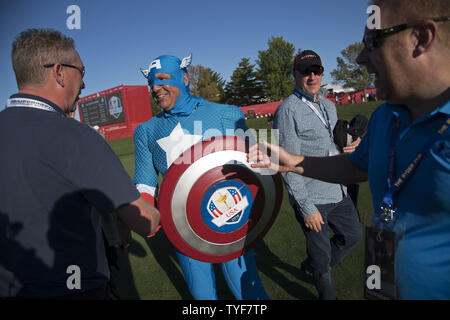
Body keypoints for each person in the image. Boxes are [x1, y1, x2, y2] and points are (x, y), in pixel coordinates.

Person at [249, 0, 450, 299]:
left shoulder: (331, 106)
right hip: (381, 272)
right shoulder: (384, 117)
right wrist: (294, 163)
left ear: (421, 38)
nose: (359, 58)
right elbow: (354, 167)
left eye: (373, 42)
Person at [0, 29, 160, 299]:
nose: (84, 84)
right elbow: (145, 223)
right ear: (59, 72)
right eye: (81, 72)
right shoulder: (76, 136)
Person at [134, 54, 268, 300]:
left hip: (231, 214)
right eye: (151, 82)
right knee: (202, 296)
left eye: (163, 79)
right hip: (184, 224)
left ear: (184, 78)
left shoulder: (226, 114)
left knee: (250, 292)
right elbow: (145, 182)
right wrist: (143, 212)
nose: (155, 87)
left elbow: (257, 164)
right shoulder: (146, 131)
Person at [272, 50, 362, 300]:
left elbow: (332, 144)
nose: (312, 76)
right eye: (306, 72)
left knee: (353, 235)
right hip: (313, 199)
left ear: (322, 73)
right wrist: (306, 208)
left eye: (317, 71)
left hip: (338, 190)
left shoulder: (329, 106)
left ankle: (313, 266)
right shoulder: (287, 111)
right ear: (295, 75)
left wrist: (351, 143)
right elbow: (286, 164)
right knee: (323, 263)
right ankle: (323, 280)